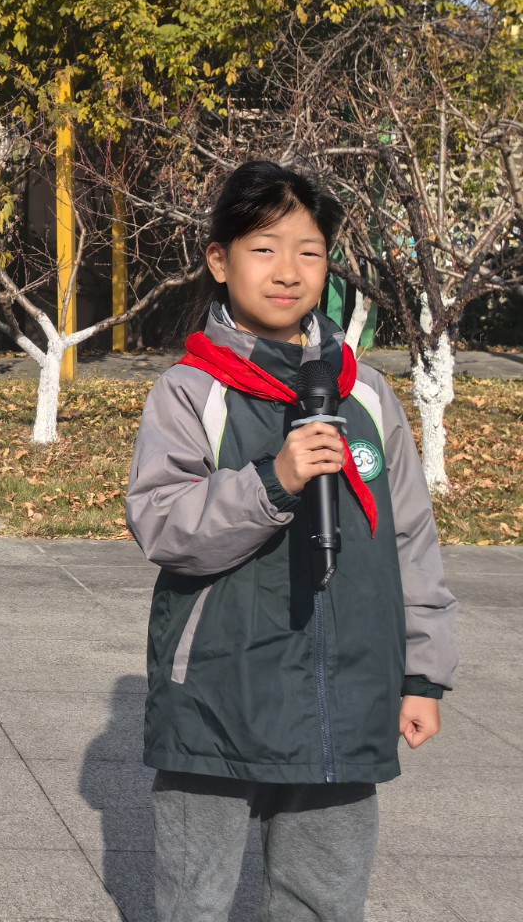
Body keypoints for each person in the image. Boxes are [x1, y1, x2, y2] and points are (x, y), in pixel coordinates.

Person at [126, 159, 457, 922]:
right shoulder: (190, 391)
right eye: (264, 248)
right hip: (218, 693)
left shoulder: (365, 394)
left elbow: (412, 539)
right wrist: (271, 481)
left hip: (344, 693)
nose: (288, 271)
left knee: (324, 900)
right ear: (220, 259)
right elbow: (165, 525)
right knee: (194, 900)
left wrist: (423, 676)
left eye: (309, 252)